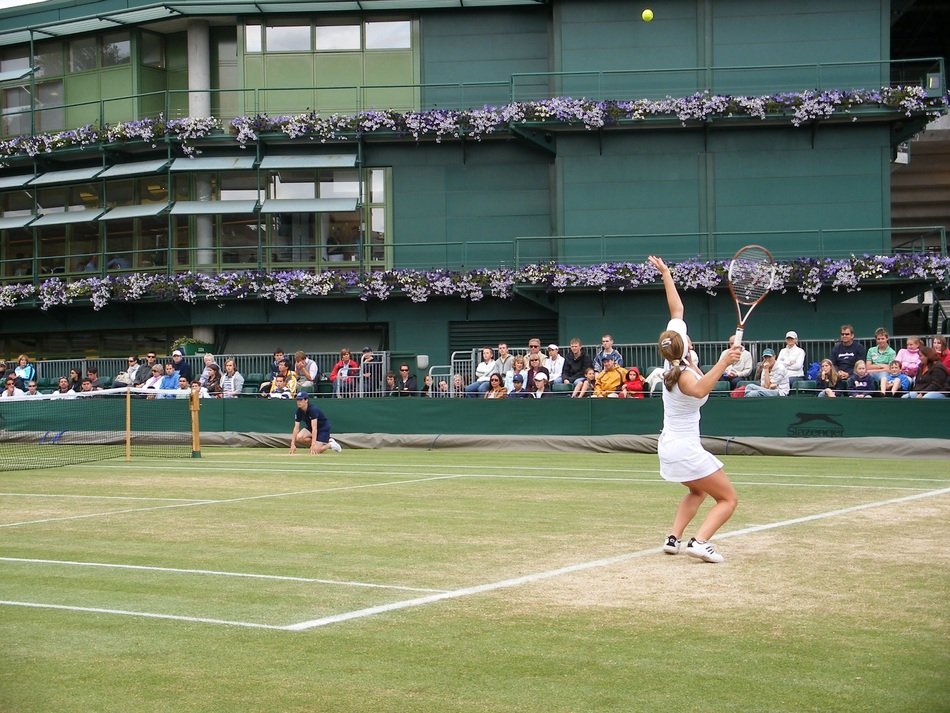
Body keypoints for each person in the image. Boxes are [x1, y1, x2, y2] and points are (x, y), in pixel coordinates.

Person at [649, 254, 741, 564]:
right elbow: (701, 389)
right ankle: (700, 542)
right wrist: (724, 361)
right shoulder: (687, 376)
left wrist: (666, 273)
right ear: (685, 346)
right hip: (684, 449)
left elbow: (677, 309)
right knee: (728, 499)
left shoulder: (672, 352)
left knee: (696, 492)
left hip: (671, 447)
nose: (685, 333)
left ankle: (672, 539)